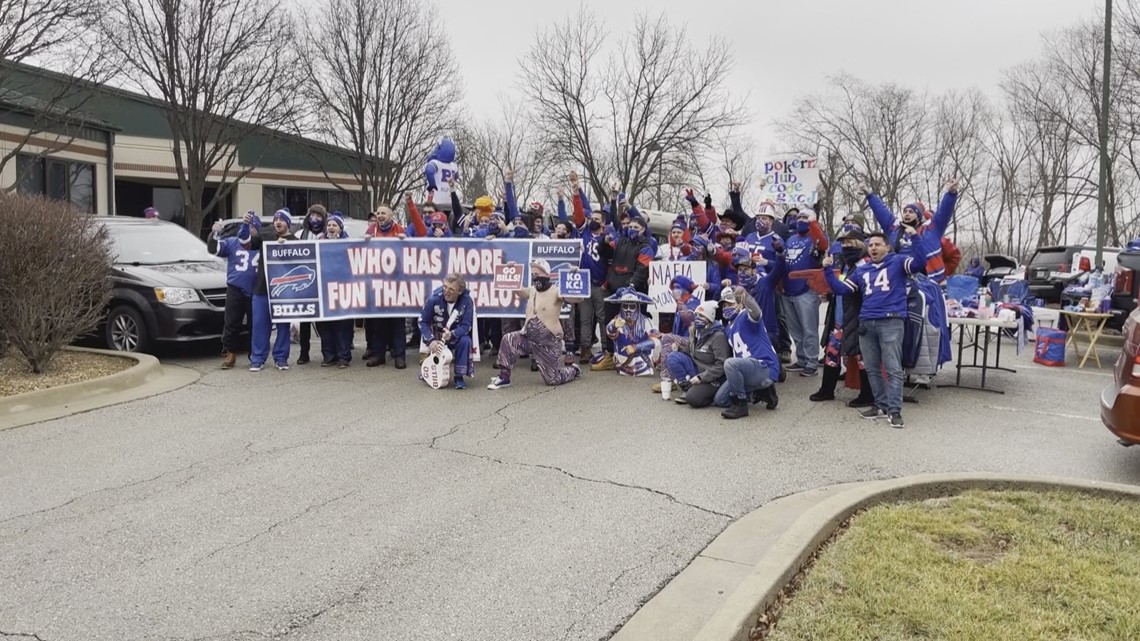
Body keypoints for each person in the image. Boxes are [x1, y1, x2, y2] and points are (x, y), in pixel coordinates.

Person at [822, 229, 927, 429]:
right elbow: (842, 290)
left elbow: (920, 263)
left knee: (893, 367)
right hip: (866, 322)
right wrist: (827, 270)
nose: (873, 248)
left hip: (891, 320)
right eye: (870, 245)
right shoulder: (862, 270)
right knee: (871, 367)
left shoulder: (897, 262)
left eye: (877, 244)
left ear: (887, 246)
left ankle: (894, 410)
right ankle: (880, 404)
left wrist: (915, 237)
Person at [488, 260, 585, 389]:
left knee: (552, 379)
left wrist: (575, 276)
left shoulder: (557, 291)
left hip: (548, 343)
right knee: (509, 339)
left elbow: (578, 298)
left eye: (537, 274)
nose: (535, 277)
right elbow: (517, 289)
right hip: (528, 338)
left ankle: (573, 370)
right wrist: (510, 271)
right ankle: (504, 377)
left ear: (546, 274)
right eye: (533, 274)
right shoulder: (532, 291)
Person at [811, 226, 875, 407]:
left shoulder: (865, 264)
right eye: (844, 243)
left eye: (850, 242)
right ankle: (826, 390)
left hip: (857, 318)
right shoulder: (847, 263)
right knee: (831, 354)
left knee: (861, 357)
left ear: (861, 244)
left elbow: (845, 289)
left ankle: (868, 395)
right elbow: (839, 288)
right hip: (839, 317)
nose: (846, 246)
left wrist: (827, 272)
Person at [864, 178, 959, 284]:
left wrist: (951, 193)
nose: (907, 214)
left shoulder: (931, 229)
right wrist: (870, 196)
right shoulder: (894, 228)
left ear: (918, 216)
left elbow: (943, 212)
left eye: (911, 211)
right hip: (899, 279)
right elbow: (881, 211)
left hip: (929, 280)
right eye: (905, 211)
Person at [593, 213, 654, 371]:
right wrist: (605, 242)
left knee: (632, 327)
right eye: (630, 226)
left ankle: (634, 357)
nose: (632, 229)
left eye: (636, 228)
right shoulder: (620, 241)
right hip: (614, 291)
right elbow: (603, 253)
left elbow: (642, 271)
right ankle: (609, 355)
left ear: (643, 230)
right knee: (610, 322)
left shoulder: (646, 247)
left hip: (633, 294)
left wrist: (629, 287)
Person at [243, 209, 297, 371]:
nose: (277, 222)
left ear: (288, 223)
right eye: (275, 220)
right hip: (262, 289)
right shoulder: (265, 237)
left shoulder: (296, 241)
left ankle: (281, 358)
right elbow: (246, 243)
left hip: (284, 292)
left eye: (281, 220)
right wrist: (245, 226)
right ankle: (257, 358)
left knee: (283, 327)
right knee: (260, 325)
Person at [717, 286, 780, 419]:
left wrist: (746, 298)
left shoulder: (745, 315)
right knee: (720, 399)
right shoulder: (728, 328)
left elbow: (756, 312)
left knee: (730, 364)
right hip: (746, 370)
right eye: (724, 306)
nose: (726, 308)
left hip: (763, 365)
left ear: (739, 304)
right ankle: (762, 391)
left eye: (730, 304)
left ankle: (741, 405)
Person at [781, 208, 829, 377]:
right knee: (795, 329)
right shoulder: (791, 239)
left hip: (807, 290)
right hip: (788, 290)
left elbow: (823, 244)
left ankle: (811, 361)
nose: (801, 220)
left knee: (809, 329)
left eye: (805, 217)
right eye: (799, 217)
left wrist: (813, 222)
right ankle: (801, 359)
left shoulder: (815, 238)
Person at [210, 215, 260, 369]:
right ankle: (230, 352)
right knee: (231, 322)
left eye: (253, 227)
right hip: (235, 287)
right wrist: (213, 234)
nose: (249, 230)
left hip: (255, 290)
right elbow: (214, 248)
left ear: (257, 230)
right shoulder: (232, 242)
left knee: (255, 324)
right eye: (247, 226)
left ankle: (255, 355)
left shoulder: (261, 245)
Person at [364, 206, 409, 369]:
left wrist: (406, 241)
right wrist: (366, 242)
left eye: (383, 213)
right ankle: (378, 354)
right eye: (378, 213)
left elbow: (412, 251)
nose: (380, 215)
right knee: (378, 322)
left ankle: (399, 356)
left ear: (391, 215)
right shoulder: (372, 229)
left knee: (397, 322)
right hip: (377, 283)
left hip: (397, 283)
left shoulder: (399, 229)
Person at [665, 301, 730, 408]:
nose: (697, 319)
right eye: (697, 315)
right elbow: (691, 353)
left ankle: (710, 394)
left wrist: (702, 378)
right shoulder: (695, 331)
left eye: (702, 316)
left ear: (709, 319)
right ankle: (686, 387)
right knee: (673, 356)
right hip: (696, 369)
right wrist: (679, 349)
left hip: (712, 377)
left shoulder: (718, 337)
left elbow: (721, 366)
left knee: (693, 399)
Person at [419, 272, 475, 389]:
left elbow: (466, 325)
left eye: (451, 289)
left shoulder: (467, 301)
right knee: (430, 339)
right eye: (445, 287)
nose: (446, 291)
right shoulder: (433, 299)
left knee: (466, 340)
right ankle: (430, 369)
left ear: (459, 291)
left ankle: (459, 376)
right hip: (437, 336)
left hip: (455, 336)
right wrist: (431, 340)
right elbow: (422, 321)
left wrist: (452, 334)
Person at [315, 214, 353, 367]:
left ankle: (343, 356)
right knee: (325, 325)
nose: (331, 227)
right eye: (329, 225)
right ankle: (329, 355)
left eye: (334, 225)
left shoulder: (348, 244)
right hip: (324, 290)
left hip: (343, 289)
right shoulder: (318, 243)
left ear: (340, 228)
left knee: (342, 325)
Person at [653, 275, 702, 394]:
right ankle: (673, 375)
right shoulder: (680, 304)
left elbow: (688, 319)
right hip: (685, 340)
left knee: (668, 338)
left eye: (677, 288)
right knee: (665, 337)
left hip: (695, 342)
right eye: (673, 288)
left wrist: (679, 300)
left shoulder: (693, 301)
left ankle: (667, 380)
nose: (674, 291)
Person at [293, 206, 327, 364]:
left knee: (322, 321)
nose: (315, 218)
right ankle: (304, 353)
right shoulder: (300, 234)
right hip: (305, 282)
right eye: (312, 214)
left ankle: (327, 353)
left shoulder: (326, 234)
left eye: (319, 215)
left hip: (322, 281)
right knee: (305, 321)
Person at [601, 287, 660, 376]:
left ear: (637, 307)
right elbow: (610, 332)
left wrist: (636, 347)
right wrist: (614, 326)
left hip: (643, 366)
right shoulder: (617, 320)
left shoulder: (646, 321)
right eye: (625, 306)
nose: (628, 310)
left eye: (632, 306)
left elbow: (656, 340)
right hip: (623, 365)